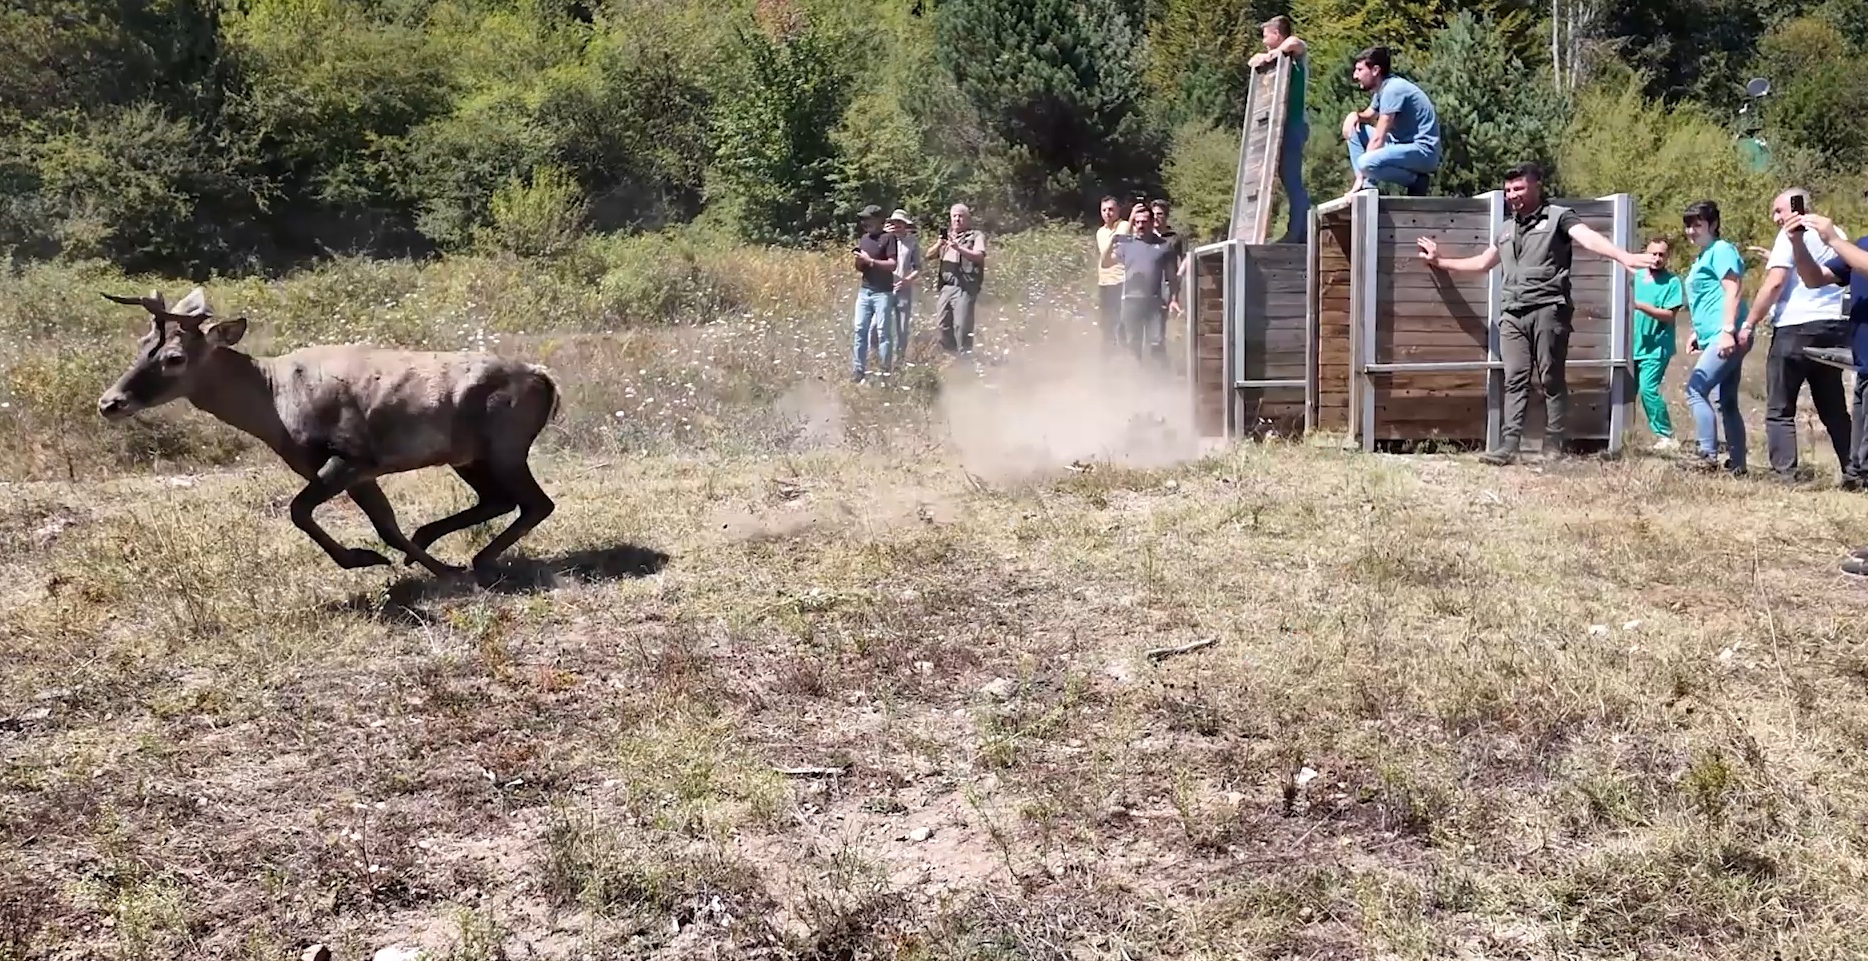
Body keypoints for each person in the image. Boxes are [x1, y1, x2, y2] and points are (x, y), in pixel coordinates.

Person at [1415, 162, 1656, 465]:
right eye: (1508, 190)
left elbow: (1586, 237)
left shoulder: (1558, 217)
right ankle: (1509, 445)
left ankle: (1553, 443)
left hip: (1548, 309)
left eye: (1518, 188)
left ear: (1535, 186)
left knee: (1551, 378)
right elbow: (1481, 264)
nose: (1512, 195)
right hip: (1512, 314)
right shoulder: (1505, 230)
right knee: (1514, 378)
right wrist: (1441, 262)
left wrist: (1621, 255)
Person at [1735, 188, 1853, 483]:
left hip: (1795, 327)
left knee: (1780, 406)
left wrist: (1749, 322)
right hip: (1831, 326)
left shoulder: (1790, 235)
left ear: (1796, 208)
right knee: (1834, 407)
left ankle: (1785, 476)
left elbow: (1775, 284)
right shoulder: (1834, 231)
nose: (1775, 218)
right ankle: (1855, 471)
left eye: (1779, 210)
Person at [1778, 209, 1868, 571]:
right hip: (1864, 369)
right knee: (1864, 463)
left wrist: (1832, 238)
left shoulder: (1853, 248)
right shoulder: (1858, 246)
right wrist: (1797, 242)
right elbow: (1815, 279)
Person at [1678, 199, 1751, 474]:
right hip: (1714, 335)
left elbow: (1733, 289)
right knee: (1726, 401)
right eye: (1688, 226)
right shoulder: (1704, 255)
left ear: (1714, 224)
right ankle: (1738, 465)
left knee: (1695, 390)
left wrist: (1727, 332)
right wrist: (1699, 332)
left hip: (1727, 335)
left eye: (1698, 224)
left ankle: (1707, 456)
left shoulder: (1721, 250)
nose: (1691, 231)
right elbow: (1710, 297)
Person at [1341, 45, 1440, 198]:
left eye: (1360, 70)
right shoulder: (1383, 88)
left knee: (1366, 163)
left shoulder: (1393, 90)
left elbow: (1378, 138)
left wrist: (1361, 173)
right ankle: (1366, 187)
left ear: (1375, 70)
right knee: (1355, 131)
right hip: (1401, 146)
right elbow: (1369, 114)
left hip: (1423, 152)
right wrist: (1355, 116)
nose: (1355, 76)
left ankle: (1415, 181)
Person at [1249, 15, 1311, 244]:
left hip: (1294, 125)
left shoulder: (1295, 55)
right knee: (1285, 178)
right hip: (1279, 127)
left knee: (1292, 178)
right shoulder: (1277, 60)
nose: (1264, 42)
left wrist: (1270, 55)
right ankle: (1298, 228)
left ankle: (1299, 231)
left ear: (1277, 34)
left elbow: (1296, 42)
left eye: (1267, 36)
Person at [1110, 204, 1181, 366]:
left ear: (1152, 222)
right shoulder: (1126, 243)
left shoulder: (1164, 246)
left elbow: (1172, 276)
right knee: (1132, 344)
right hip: (1130, 301)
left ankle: (1160, 380)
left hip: (1154, 302)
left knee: (1156, 343)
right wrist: (1130, 217)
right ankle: (1136, 381)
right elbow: (1110, 256)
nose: (1140, 225)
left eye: (1144, 221)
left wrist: (1174, 299)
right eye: (1137, 222)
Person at [1631, 235, 1685, 450]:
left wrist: (1639, 306)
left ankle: (1666, 436)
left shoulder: (1672, 283)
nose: (1656, 258)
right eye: (1653, 253)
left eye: (1661, 254)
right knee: (1625, 392)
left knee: (1648, 389)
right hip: (1631, 345)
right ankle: (1620, 433)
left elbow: (1669, 315)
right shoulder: (1634, 277)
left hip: (1656, 347)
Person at [849, 204, 898, 383]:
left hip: (883, 293)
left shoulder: (888, 238)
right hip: (865, 290)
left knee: (883, 333)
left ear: (878, 220)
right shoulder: (864, 239)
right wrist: (860, 261)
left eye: (868, 219)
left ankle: (885, 372)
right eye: (863, 219)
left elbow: (893, 265)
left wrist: (871, 261)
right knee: (860, 329)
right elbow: (860, 268)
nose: (865, 223)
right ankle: (858, 371)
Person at [931, 203, 987, 355]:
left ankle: (964, 359)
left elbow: (979, 256)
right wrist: (939, 244)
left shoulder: (975, 236)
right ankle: (951, 355)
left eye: (961, 216)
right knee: (942, 325)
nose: (957, 219)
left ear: (968, 219)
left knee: (962, 326)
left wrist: (958, 248)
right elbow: (928, 256)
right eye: (954, 216)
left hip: (964, 287)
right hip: (946, 287)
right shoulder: (946, 237)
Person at [883, 208, 920, 372]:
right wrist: (883, 235)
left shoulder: (912, 243)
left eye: (900, 223)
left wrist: (907, 280)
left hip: (903, 290)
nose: (897, 226)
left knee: (902, 329)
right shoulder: (883, 240)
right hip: (884, 289)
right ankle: (880, 361)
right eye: (894, 223)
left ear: (906, 225)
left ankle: (899, 363)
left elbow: (918, 268)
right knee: (880, 327)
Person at [1094, 196, 1129, 348]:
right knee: (1105, 320)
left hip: (1120, 279)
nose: (1107, 213)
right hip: (1104, 281)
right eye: (1104, 210)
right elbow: (1103, 254)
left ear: (1118, 210)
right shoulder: (1100, 232)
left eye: (1111, 209)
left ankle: (1124, 350)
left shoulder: (1124, 225)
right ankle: (1108, 350)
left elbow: (1117, 242)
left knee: (1121, 320)